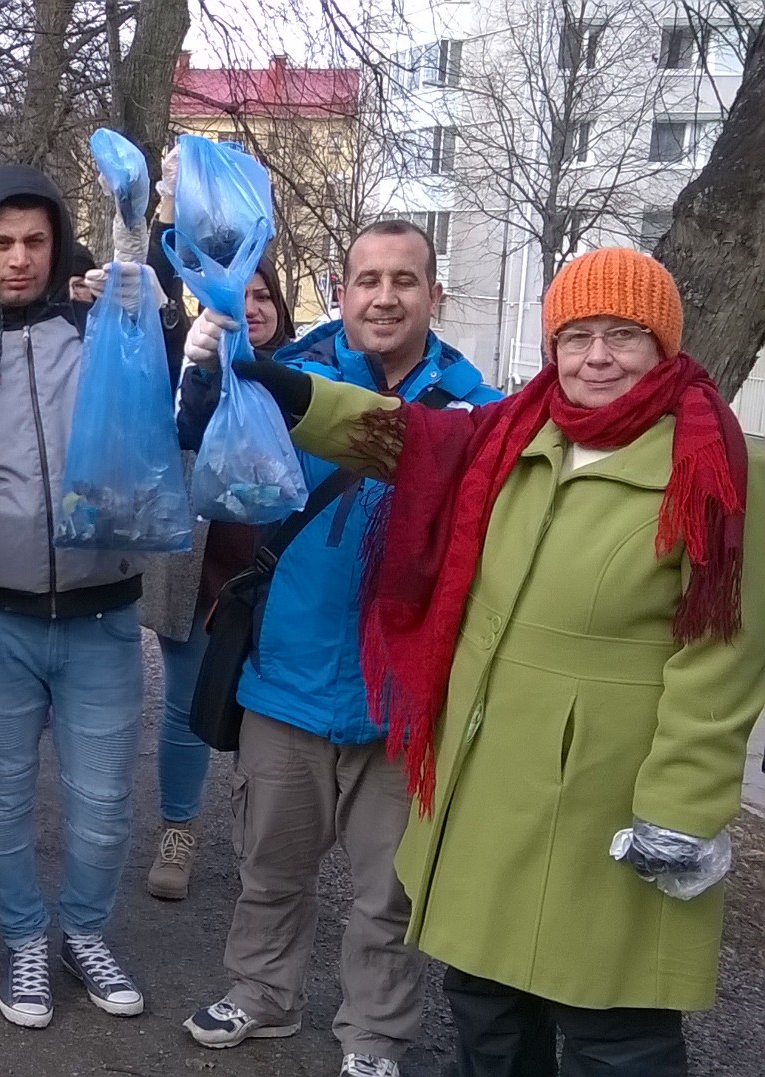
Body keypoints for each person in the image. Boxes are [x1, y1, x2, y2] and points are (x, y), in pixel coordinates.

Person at [234, 248, 765, 1077]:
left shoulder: (717, 463)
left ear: (663, 343)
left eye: (623, 334)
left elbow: (722, 658)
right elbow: (401, 436)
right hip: (490, 780)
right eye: (577, 335)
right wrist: (277, 382)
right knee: (487, 1006)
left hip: (607, 797)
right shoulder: (516, 429)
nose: (597, 357)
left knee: (610, 1024)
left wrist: (681, 808)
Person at [173, 220, 499, 1077]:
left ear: (434, 294)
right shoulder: (298, 372)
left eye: (404, 280)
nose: (385, 297)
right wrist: (203, 368)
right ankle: (262, 993)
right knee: (269, 867)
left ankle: (375, 1036)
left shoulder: (475, 405)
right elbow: (204, 431)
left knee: (388, 894)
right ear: (341, 292)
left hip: (400, 699)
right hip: (286, 678)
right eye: (368, 281)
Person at [0, 165, 151, 1030]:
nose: (19, 258)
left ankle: (83, 931)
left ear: (58, 247)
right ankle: (23, 937)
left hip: (102, 619)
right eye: (2, 243)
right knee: (1, 803)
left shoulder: (100, 335)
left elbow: (168, 392)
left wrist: (149, 297)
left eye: (35, 241)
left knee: (103, 808)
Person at [129, 148, 287, 902]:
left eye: (262, 295)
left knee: (272, 719)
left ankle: (264, 837)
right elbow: (149, 296)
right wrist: (165, 210)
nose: (249, 307)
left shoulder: (306, 372)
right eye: (237, 294)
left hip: (273, 574)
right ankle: (178, 829)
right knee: (187, 707)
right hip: (197, 569)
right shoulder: (185, 357)